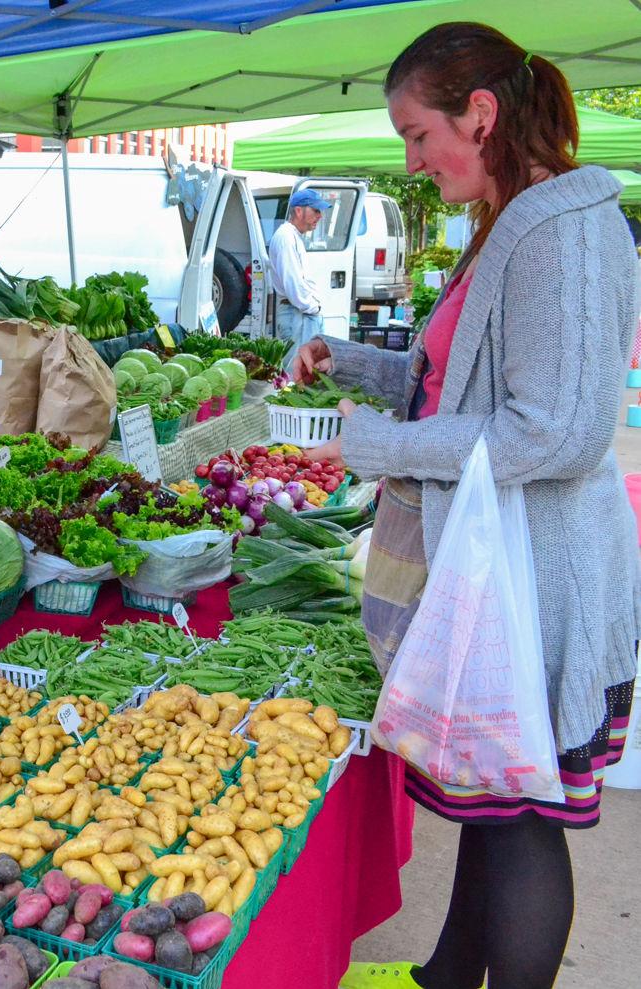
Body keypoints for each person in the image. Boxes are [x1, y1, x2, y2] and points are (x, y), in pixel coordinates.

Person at [291, 24, 639, 989]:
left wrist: (379, 446)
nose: (409, 159)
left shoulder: (561, 232)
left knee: (524, 821)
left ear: (480, 116)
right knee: (496, 803)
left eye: (415, 133)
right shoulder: (513, 217)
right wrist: (354, 362)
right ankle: (446, 974)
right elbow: (464, 378)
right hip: (503, 569)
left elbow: (555, 432)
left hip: (540, 578)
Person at [267, 188, 330, 366]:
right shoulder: (286, 237)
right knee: (297, 375)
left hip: (298, 312)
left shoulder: (292, 236)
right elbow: (293, 283)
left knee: (304, 372)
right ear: (298, 210)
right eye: (316, 210)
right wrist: (312, 307)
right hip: (296, 314)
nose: (320, 216)